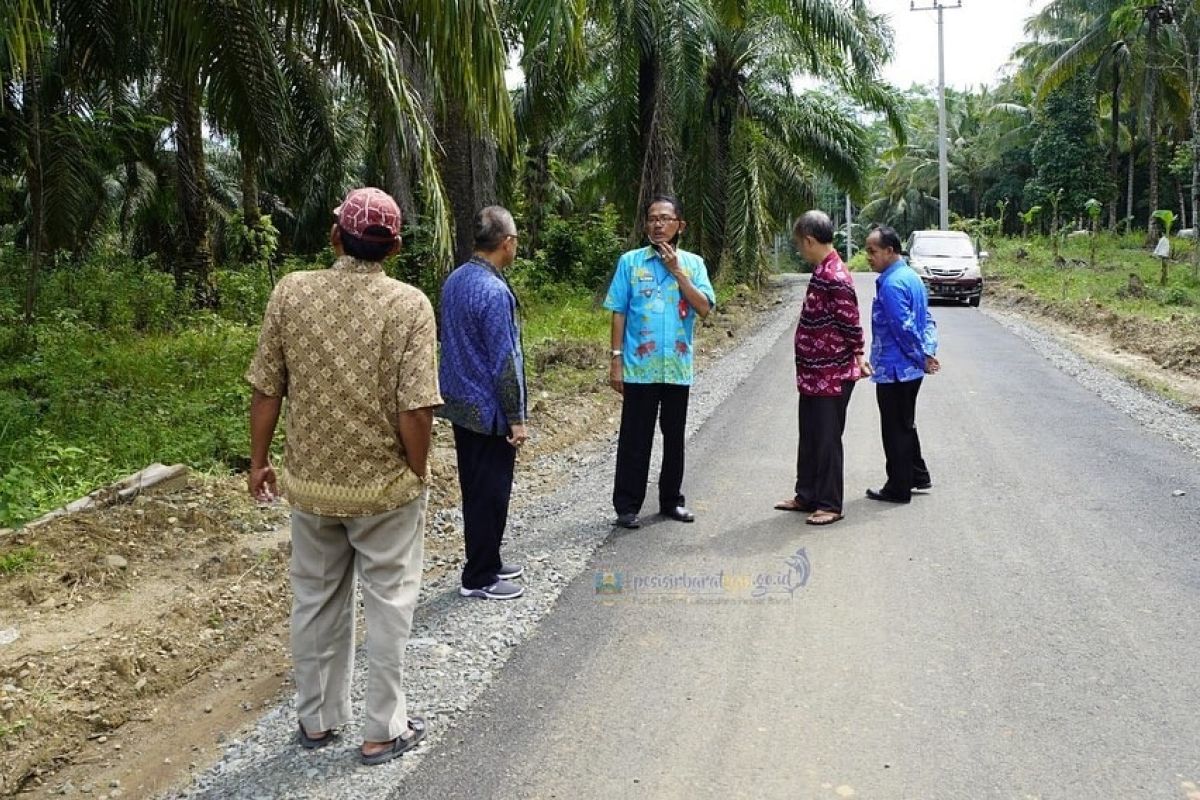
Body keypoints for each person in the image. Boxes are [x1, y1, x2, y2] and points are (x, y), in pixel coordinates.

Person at [245, 186, 441, 766]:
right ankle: (383, 728)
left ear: (335, 237)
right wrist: (417, 470)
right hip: (383, 490)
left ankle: (318, 719)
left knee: (314, 600)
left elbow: (266, 386)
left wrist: (259, 463)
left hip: (309, 485)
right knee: (389, 603)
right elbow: (416, 410)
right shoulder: (408, 305)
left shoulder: (292, 292)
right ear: (396, 247)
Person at [604, 195, 716, 529]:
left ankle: (671, 501)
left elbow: (705, 307)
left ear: (679, 225)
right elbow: (619, 312)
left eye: (665, 218)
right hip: (640, 367)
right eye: (652, 218)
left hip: (677, 368)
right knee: (635, 438)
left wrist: (678, 273)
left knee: (674, 437)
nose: (658, 224)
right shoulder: (630, 263)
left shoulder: (693, 264)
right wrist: (615, 360)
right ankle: (626, 506)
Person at [437, 206, 529, 601]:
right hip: (487, 410)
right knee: (490, 492)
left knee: (477, 488)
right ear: (506, 243)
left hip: (459, 401)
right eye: (516, 239)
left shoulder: (455, 280)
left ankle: (488, 559)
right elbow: (504, 361)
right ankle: (478, 577)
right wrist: (516, 417)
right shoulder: (494, 291)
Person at [774, 210, 868, 525]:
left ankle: (829, 503)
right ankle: (807, 494)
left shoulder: (835, 276)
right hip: (814, 372)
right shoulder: (821, 270)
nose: (800, 250)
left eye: (800, 245)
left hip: (831, 374)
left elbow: (851, 322)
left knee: (827, 439)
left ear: (810, 240)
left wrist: (858, 354)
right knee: (810, 434)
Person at [862, 225, 939, 504]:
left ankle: (898, 487)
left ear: (890, 251)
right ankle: (917, 474)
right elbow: (927, 320)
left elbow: (905, 328)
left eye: (873, 251)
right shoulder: (911, 277)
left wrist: (922, 355)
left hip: (895, 369)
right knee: (905, 423)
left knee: (894, 428)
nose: (868, 256)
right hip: (911, 369)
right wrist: (927, 353)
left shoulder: (893, 284)